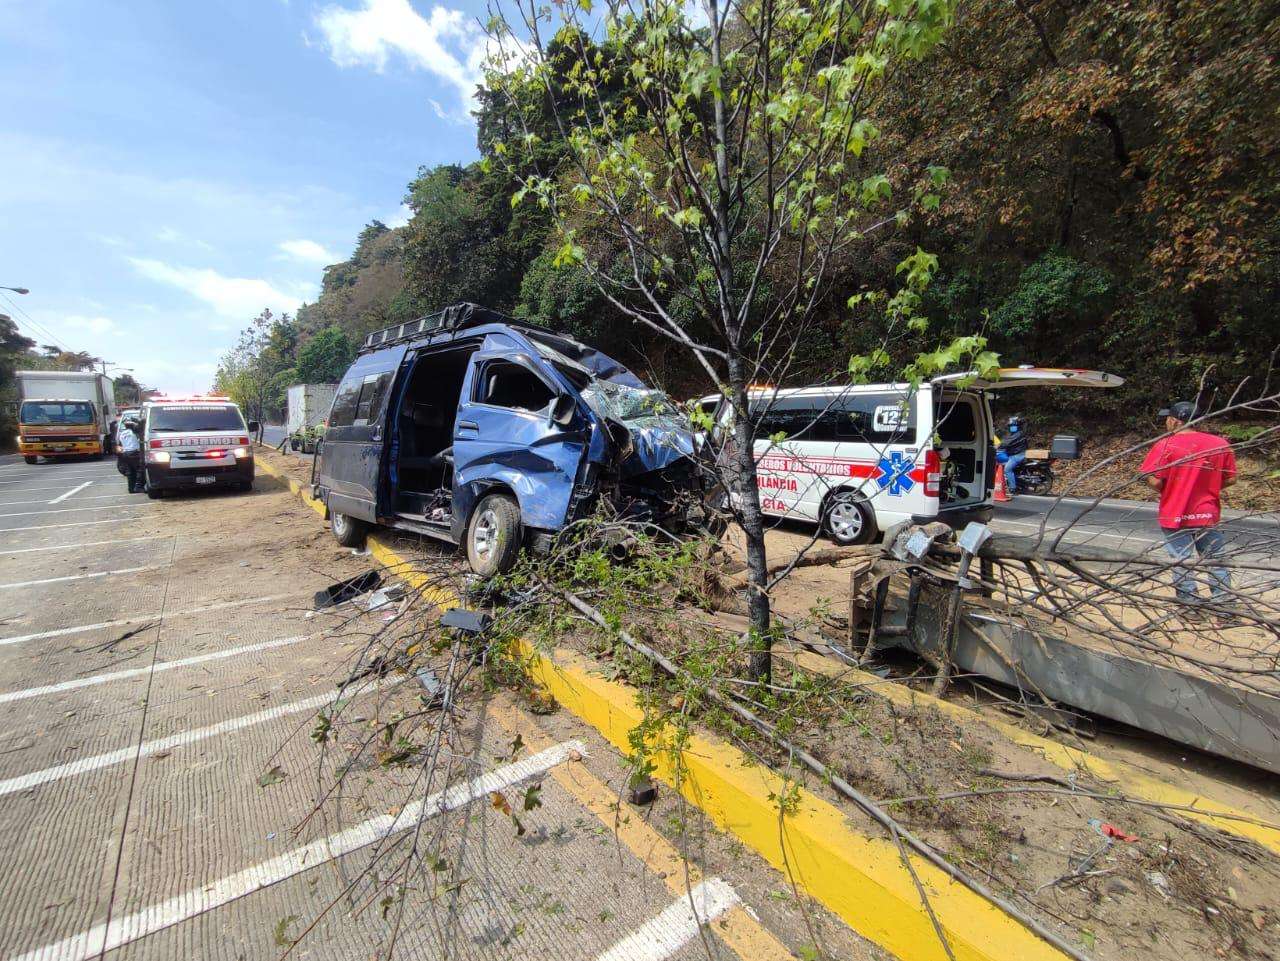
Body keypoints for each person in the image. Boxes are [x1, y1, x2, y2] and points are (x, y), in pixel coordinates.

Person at [1140, 400, 1237, 604]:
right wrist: (1208, 488)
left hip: (1175, 512)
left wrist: (1164, 487)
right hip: (1207, 513)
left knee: (1181, 561)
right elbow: (1231, 479)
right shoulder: (1220, 444)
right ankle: (1225, 605)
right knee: (1215, 560)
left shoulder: (1165, 445)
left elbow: (1155, 481)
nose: (1166, 423)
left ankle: (1190, 606)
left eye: (1167, 419)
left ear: (1175, 421)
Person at [997, 415, 1028, 494]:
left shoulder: (1018, 434)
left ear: (1017, 426)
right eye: (1011, 426)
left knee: (1007, 469)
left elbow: (1007, 442)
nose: (1012, 427)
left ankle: (1013, 488)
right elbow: (1006, 440)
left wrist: (998, 446)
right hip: (1016, 454)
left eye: (1013, 426)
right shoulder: (1016, 433)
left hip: (1017, 455)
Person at [116, 416, 143, 493]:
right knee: (140, 470)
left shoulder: (122, 433)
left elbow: (120, 445)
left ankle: (131, 488)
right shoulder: (134, 432)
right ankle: (138, 487)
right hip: (134, 453)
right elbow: (141, 425)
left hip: (125, 454)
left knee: (130, 471)